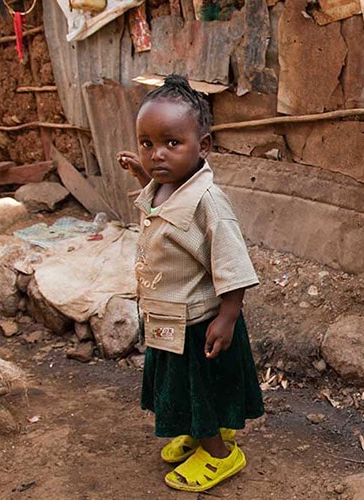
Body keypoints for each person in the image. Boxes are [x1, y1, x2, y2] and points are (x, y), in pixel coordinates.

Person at [116, 74, 264, 493]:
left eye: (171, 143)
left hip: (198, 322)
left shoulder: (208, 201)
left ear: (204, 147)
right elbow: (157, 206)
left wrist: (228, 316)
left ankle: (219, 454)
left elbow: (232, 262)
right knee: (180, 388)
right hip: (167, 315)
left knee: (198, 385)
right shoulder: (163, 185)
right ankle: (199, 430)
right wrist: (137, 172)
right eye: (147, 143)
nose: (156, 154)